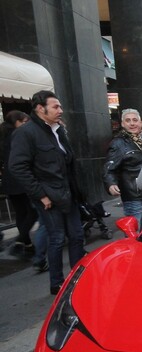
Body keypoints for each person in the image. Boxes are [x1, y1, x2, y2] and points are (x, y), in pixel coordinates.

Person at [9, 90, 85, 295]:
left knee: (77, 236)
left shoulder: (58, 130)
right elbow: (17, 167)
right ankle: (57, 284)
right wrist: (40, 194)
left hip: (68, 195)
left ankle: (79, 278)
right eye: (56, 107)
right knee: (57, 239)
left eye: (60, 106)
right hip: (49, 198)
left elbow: (67, 163)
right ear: (40, 109)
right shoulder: (26, 133)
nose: (60, 110)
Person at [102, 108, 142, 225]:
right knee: (136, 231)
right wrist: (111, 183)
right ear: (123, 124)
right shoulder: (118, 143)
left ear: (140, 122)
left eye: (135, 120)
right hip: (133, 196)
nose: (132, 123)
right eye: (128, 120)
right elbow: (109, 167)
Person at [1, 110, 38, 260]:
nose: (26, 124)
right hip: (21, 179)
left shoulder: (3, 137)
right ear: (16, 122)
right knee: (33, 212)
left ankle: (27, 245)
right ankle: (19, 241)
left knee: (21, 213)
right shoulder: (18, 136)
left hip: (9, 180)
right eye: (23, 122)